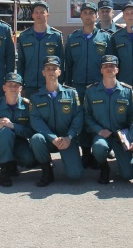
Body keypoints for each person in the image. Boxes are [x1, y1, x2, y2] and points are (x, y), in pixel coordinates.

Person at [64, 2, 114, 167]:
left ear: (96, 16)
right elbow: (68, 65)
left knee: (99, 118)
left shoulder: (105, 38)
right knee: (82, 120)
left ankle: (100, 150)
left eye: (91, 13)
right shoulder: (73, 38)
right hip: (77, 86)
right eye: (84, 13)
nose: (87, 16)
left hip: (98, 86)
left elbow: (110, 64)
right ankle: (85, 153)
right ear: (81, 16)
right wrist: (67, 85)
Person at [83, 55, 133, 184]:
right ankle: (104, 168)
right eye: (105, 66)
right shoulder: (91, 92)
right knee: (98, 146)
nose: (109, 69)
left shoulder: (127, 91)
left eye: (112, 66)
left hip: (121, 135)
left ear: (117, 70)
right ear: (101, 70)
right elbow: (87, 116)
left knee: (129, 174)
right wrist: (98, 130)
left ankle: (128, 157)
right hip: (102, 134)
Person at [29, 56, 84, 186]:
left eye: (54, 68)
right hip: (48, 139)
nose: (51, 71)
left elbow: (78, 116)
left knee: (75, 175)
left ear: (59, 72)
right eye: (48, 69)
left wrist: (69, 136)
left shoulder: (71, 93)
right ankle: (47, 170)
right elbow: (35, 120)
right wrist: (52, 138)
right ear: (43, 72)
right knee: (36, 138)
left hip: (67, 140)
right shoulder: (36, 97)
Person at [0, 72, 36, 187]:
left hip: (18, 141)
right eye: (10, 85)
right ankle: (4, 172)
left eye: (16, 85)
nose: (13, 88)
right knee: (5, 132)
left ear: (21, 88)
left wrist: (13, 126)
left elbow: (32, 131)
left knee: (29, 159)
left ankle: (13, 162)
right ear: (4, 87)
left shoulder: (27, 106)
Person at [17, 0, 63, 94]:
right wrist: (20, 84)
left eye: (42, 12)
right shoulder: (24, 36)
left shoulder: (56, 36)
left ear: (47, 15)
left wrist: (60, 84)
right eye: (36, 12)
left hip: (49, 85)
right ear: (32, 15)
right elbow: (20, 63)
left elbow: (61, 62)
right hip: (29, 85)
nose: (39, 15)